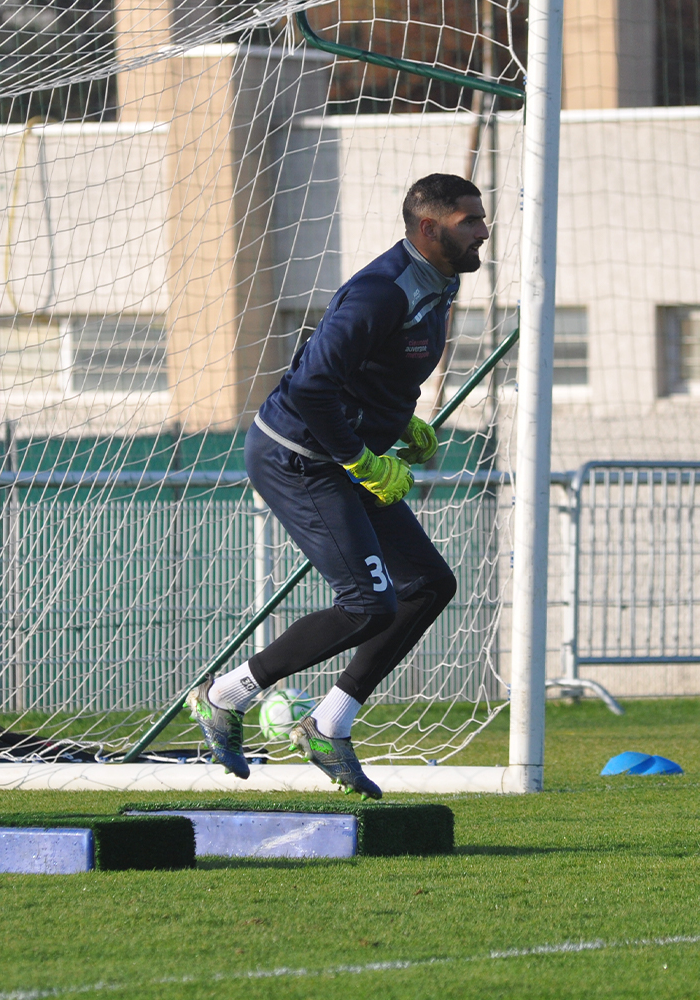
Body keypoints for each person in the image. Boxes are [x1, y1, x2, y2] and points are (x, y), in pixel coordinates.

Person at [187, 173, 490, 799]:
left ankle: (329, 725)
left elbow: (371, 372)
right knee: (367, 604)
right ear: (428, 228)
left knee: (429, 585)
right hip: (299, 457)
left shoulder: (441, 281)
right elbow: (310, 388)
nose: (483, 231)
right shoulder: (381, 292)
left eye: (481, 219)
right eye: (470, 222)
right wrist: (363, 461)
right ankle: (226, 695)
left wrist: (397, 422)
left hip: (346, 452)